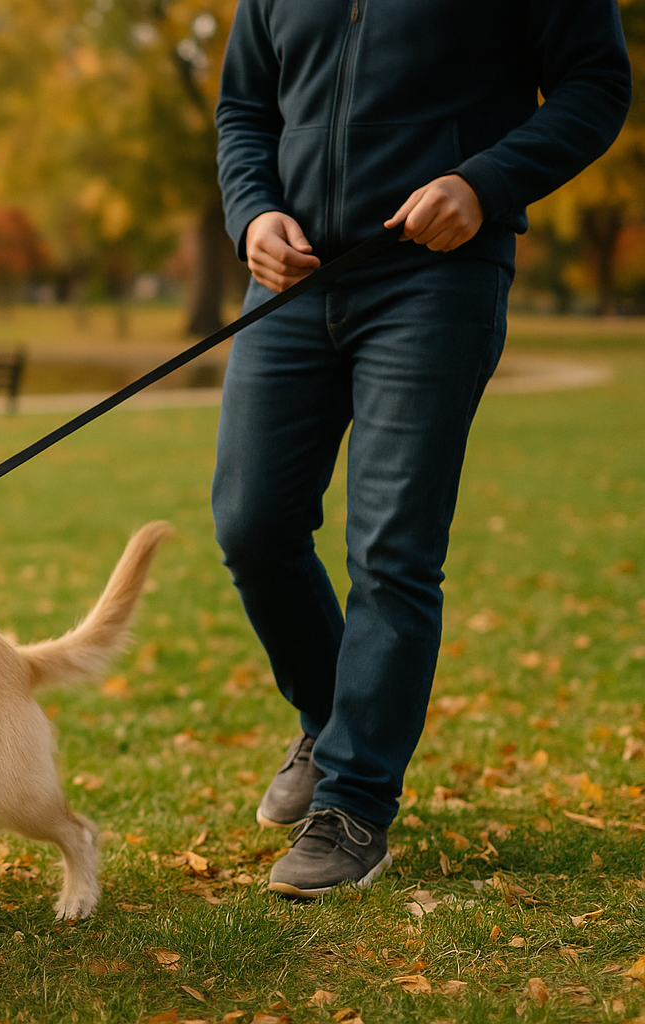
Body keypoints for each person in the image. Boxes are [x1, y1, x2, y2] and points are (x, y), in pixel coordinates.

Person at [212, 0, 630, 898]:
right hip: (291, 282)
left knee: (393, 550)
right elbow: (246, 105)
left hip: (434, 279)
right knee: (252, 525)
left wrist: (485, 184)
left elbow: (597, 85)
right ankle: (333, 723)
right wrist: (252, 215)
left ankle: (354, 804)